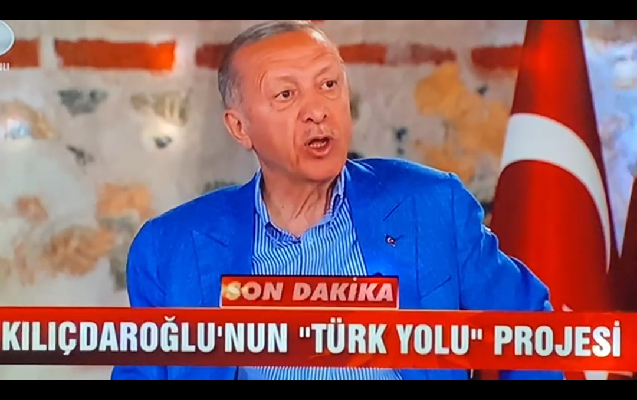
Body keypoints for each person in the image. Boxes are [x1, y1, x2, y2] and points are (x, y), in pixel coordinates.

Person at [111, 20, 564, 380]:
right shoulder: (169, 248)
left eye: (329, 85)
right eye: (286, 94)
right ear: (240, 127)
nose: (317, 110)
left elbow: (530, 332)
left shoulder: (431, 207)